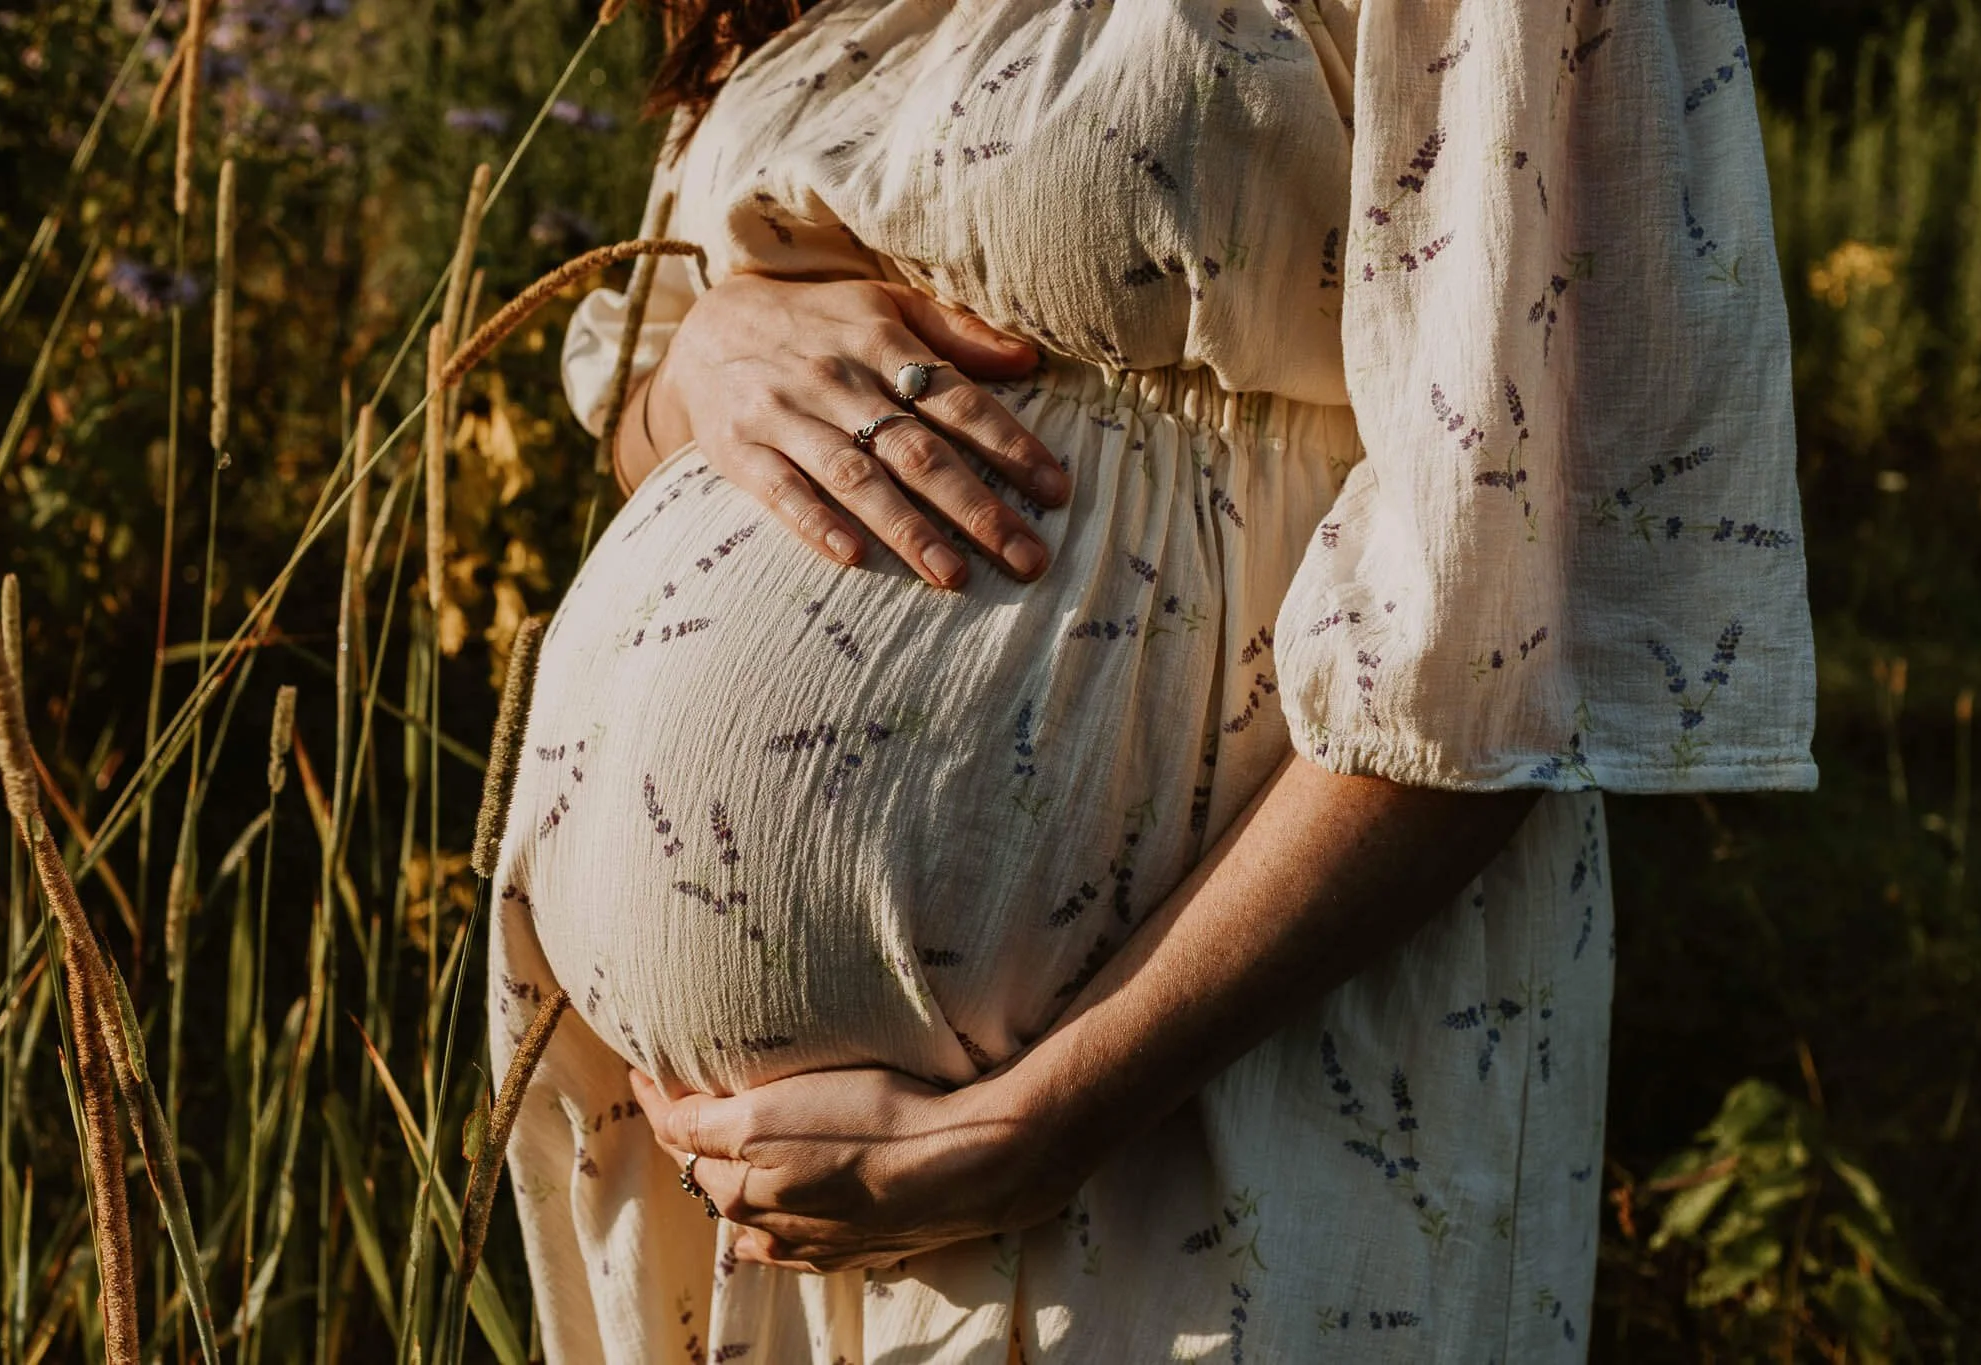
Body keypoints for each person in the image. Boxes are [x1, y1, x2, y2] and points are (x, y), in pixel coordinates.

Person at [487, 0, 1818, 1359]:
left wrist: (1047, 1115)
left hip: (1196, 1089)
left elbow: (1524, 590)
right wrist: (711, 354)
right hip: (714, 1177)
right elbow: (651, 405)